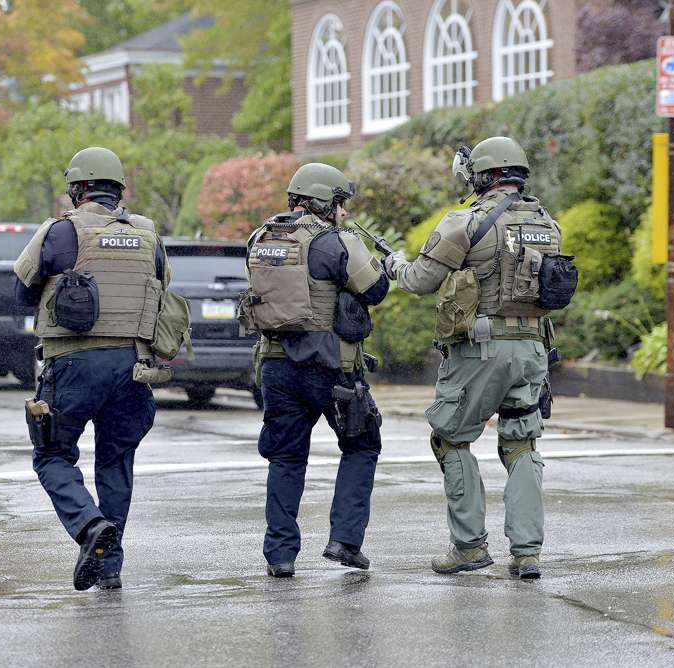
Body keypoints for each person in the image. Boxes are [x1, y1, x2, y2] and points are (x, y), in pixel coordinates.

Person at [383, 136, 576, 579]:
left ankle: (469, 546)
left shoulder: (465, 222)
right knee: (522, 443)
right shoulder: (548, 223)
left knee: (449, 438)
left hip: (480, 350)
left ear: (483, 176)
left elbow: (419, 280)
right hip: (532, 350)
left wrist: (393, 263)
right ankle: (527, 553)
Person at [13, 146, 171, 590]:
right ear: (117, 190)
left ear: (78, 189)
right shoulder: (148, 234)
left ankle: (89, 527)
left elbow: (22, 292)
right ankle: (109, 567)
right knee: (116, 462)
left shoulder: (60, 232)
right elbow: (162, 292)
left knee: (52, 455)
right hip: (133, 367)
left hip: (73, 366)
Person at [242, 163, 389, 577]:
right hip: (332, 368)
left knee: (286, 458)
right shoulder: (332, 243)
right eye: (341, 204)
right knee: (362, 446)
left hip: (275, 367)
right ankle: (344, 540)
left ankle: (280, 556)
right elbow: (376, 288)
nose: (344, 213)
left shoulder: (259, 239)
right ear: (326, 202)